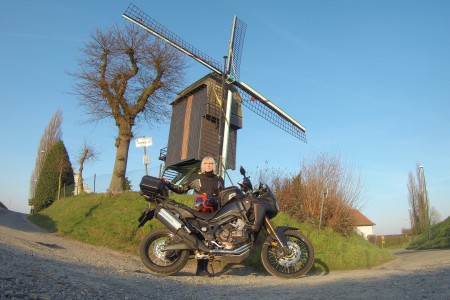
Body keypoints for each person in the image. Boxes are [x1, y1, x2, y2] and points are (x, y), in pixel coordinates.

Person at [163, 156, 224, 276]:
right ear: (202, 165)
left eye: (211, 163)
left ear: (214, 165)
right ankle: (200, 269)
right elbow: (181, 189)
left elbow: (222, 195)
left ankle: (204, 268)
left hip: (214, 212)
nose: (208, 165)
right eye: (206, 163)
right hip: (199, 211)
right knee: (200, 238)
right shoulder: (196, 177)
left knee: (209, 239)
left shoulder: (219, 179)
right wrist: (168, 183)